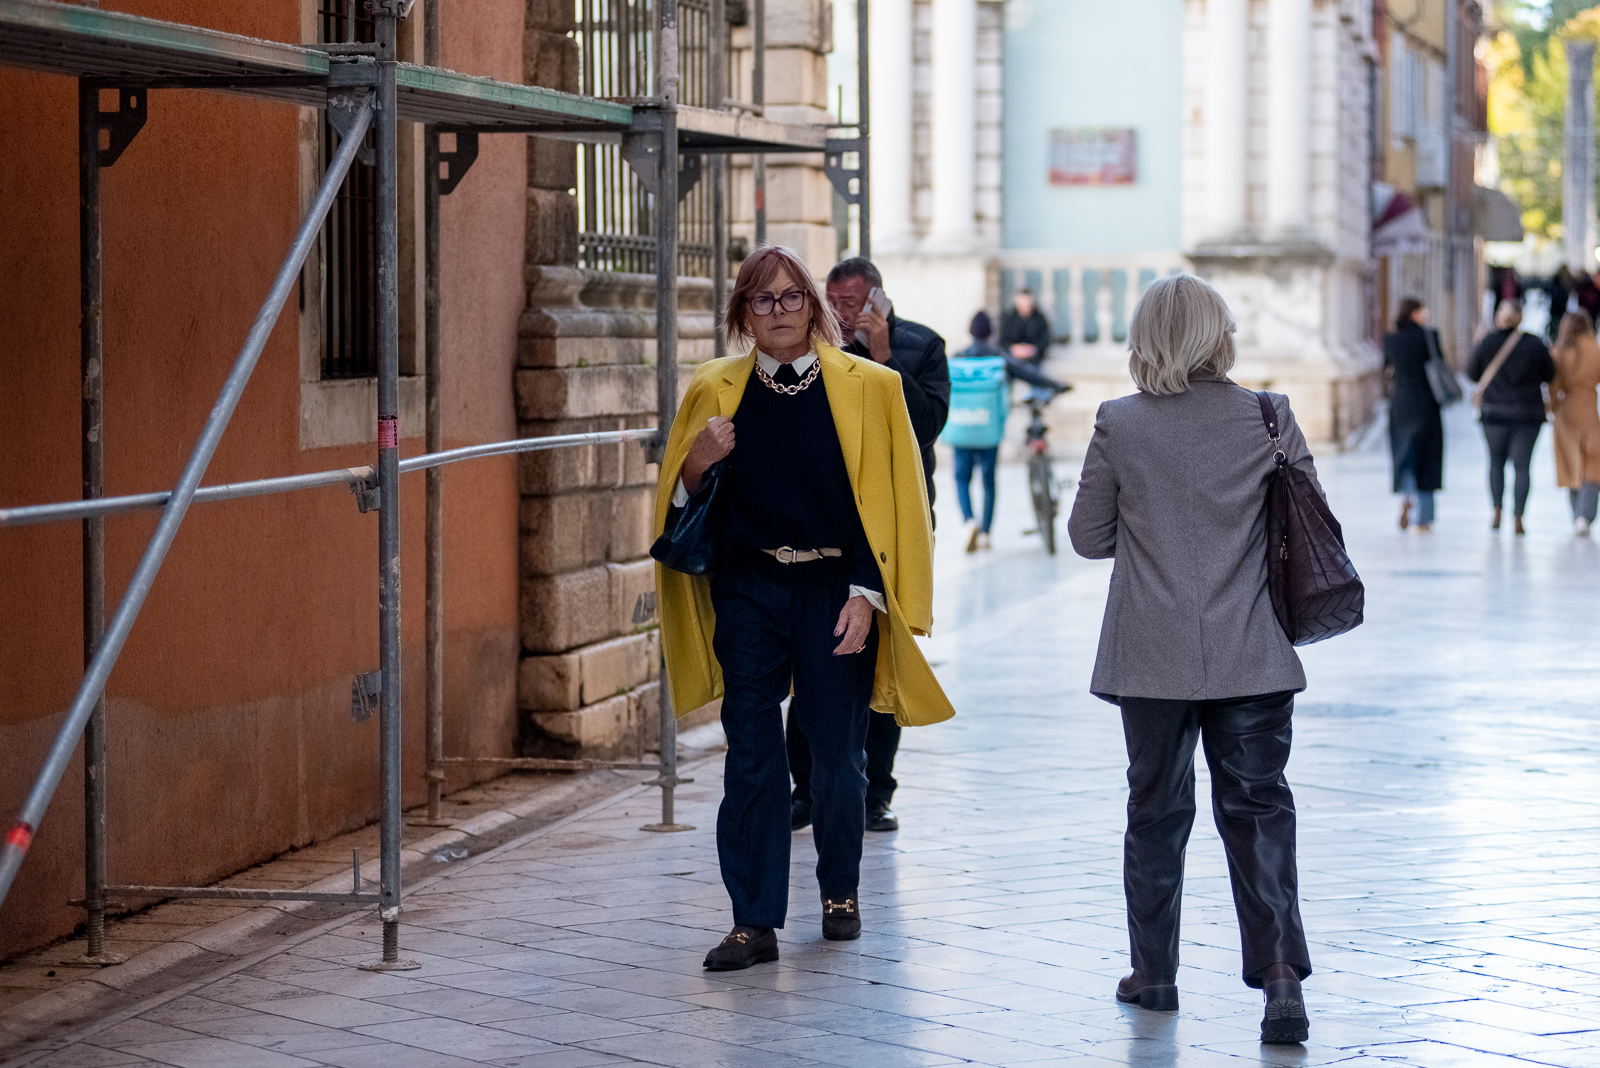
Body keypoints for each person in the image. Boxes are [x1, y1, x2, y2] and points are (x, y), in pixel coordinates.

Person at [653, 245, 954, 971]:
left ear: (813, 307)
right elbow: (679, 505)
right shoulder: (714, 388)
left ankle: (840, 891)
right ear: (743, 314)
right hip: (748, 591)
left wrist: (867, 593)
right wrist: (697, 462)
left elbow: (892, 501)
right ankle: (752, 920)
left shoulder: (871, 387)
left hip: (836, 592)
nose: (779, 311)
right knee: (752, 756)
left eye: (792, 297)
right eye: (762, 299)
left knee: (836, 756)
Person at [1067, 275, 1318, 1046]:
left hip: (1152, 654)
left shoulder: (1119, 422)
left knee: (1156, 808)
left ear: (1145, 340)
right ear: (1220, 336)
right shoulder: (1269, 416)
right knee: (1259, 808)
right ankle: (1281, 977)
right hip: (1253, 650)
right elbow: (1307, 515)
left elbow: (1087, 536)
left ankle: (1154, 973)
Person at [785, 258, 950, 836]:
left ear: (877, 300)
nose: (839, 314)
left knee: (881, 654)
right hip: (826, 528)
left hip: (895, 525)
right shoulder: (815, 352)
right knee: (815, 653)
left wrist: (882, 356)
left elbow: (925, 427)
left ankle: (876, 791)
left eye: (850, 304)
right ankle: (806, 788)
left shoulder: (922, 346)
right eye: (831, 303)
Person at [946, 310, 1068, 552]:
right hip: (988, 429)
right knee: (989, 481)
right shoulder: (998, 358)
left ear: (971, 332)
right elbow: (1030, 375)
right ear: (990, 333)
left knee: (962, 479)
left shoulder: (957, 358)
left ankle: (969, 522)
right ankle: (986, 533)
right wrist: (1058, 385)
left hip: (961, 427)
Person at [1468, 300, 1555, 534]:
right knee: (1523, 466)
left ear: (1499, 318)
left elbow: (1472, 373)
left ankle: (1497, 511)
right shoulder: (1534, 343)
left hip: (1494, 413)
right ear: (1520, 319)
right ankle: (1518, 517)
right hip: (1528, 414)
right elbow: (1550, 373)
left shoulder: (1487, 342)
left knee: (1495, 462)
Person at [1383, 299, 1444, 532]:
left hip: (1401, 403)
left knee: (1404, 454)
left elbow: (1387, 369)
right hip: (1427, 403)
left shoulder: (1391, 339)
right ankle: (1424, 518)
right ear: (1415, 313)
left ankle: (1407, 496)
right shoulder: (1429, 336)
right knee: (1428, 457)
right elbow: (1439, 364)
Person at [1548, 311, 1600, 535]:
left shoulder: (1559, 351)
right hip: (1589, 409)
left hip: (1565, 411)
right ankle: (1584, 516)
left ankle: (1577, 514)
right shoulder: (1595, 349)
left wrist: (1550, 406)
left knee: (1571, 464)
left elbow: (1552, 385)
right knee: (1592, 465)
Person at [998, 287, 1051, 368]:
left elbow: (1045, 340)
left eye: (1027, 303)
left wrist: (1033, 349)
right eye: (1022, 303)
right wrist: (1013, 349)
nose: (1025, 306)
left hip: (1033, 360)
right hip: (1012, 359)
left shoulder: (1039, 319)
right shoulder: (1009, 319)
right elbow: (1002, 341)